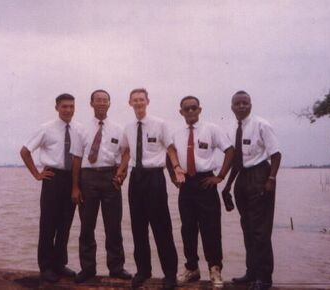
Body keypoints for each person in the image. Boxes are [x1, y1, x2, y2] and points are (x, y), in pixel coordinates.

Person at [117, 88, 185, 290]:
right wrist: (120, 173)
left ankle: (170, 273)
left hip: (155, 178)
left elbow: (170, 148)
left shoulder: (160, 124)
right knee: (138, 228)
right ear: (130, 103)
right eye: (135, 100)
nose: (138, 103)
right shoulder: (128, 127)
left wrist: (177, 168)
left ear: (148, 101)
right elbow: (127, 151)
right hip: (135, 179)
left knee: (162, 227)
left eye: (141, 99)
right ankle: (143, 270)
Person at [168, 96, 234, 288]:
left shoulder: (211, 129)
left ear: (199, 109)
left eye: (193, 108)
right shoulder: (177, 133)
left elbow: (230, 151)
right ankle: (192, 268)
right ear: (181, 112)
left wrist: (220, 176)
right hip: (186, 185)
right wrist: (174, 176)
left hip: (206, 182)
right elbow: (169, 152)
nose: (190, 112)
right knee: (188, 228)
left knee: (211, 228)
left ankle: (215, 269)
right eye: (186, 109)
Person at [221, 91, 281, 290]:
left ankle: (264, 278)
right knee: (247, 229)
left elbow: (276, 154)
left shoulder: (261, 125)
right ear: (231, 107)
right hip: (242, 178)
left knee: (260, 231)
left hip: (260, 176)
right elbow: (236, 161)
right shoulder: (232, 129)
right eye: (237, 103)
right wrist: (227, 186)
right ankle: (251, 273)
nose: (241, 106)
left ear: (251, 105)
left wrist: (271, 179)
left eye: (245, 103)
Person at [70, 89, 132, 283]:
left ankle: (116, 267)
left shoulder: (118, 129)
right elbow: (77, 159)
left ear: (110, 104)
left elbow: (126, 152)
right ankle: (87, 269)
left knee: (113, 226)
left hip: (110, 178)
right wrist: (75, 187)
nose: (102, 103)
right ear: (91, 104)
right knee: (87, 226)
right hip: (87, 178)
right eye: (98, 100)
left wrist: (121, 173)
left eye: (105, 100)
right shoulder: (80, 129)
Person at [19, 93, 79, 283]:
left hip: (72, 179)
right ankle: (45, 267)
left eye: (71, 106)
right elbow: (25, 151)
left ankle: (59, 264)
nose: (68, 110)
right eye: (64, 107)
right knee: (48, 225)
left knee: (65, 225)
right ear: (57, 108)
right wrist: (37, 174)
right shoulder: (46, 129)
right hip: (52, 178)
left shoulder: (79, 129)